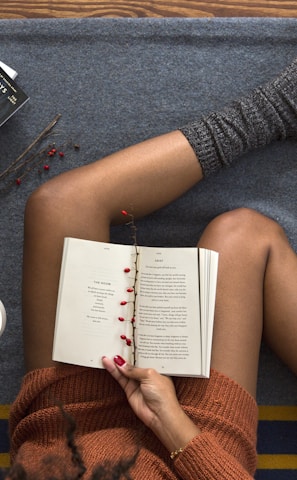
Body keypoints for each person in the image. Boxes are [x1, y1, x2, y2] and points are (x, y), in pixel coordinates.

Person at [6, 58, 297, 480]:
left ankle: (273, 111)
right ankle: (283, 108)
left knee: (60, 206)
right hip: (193, 453)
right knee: (243, 234)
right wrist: (172, 424)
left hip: (68, 439)